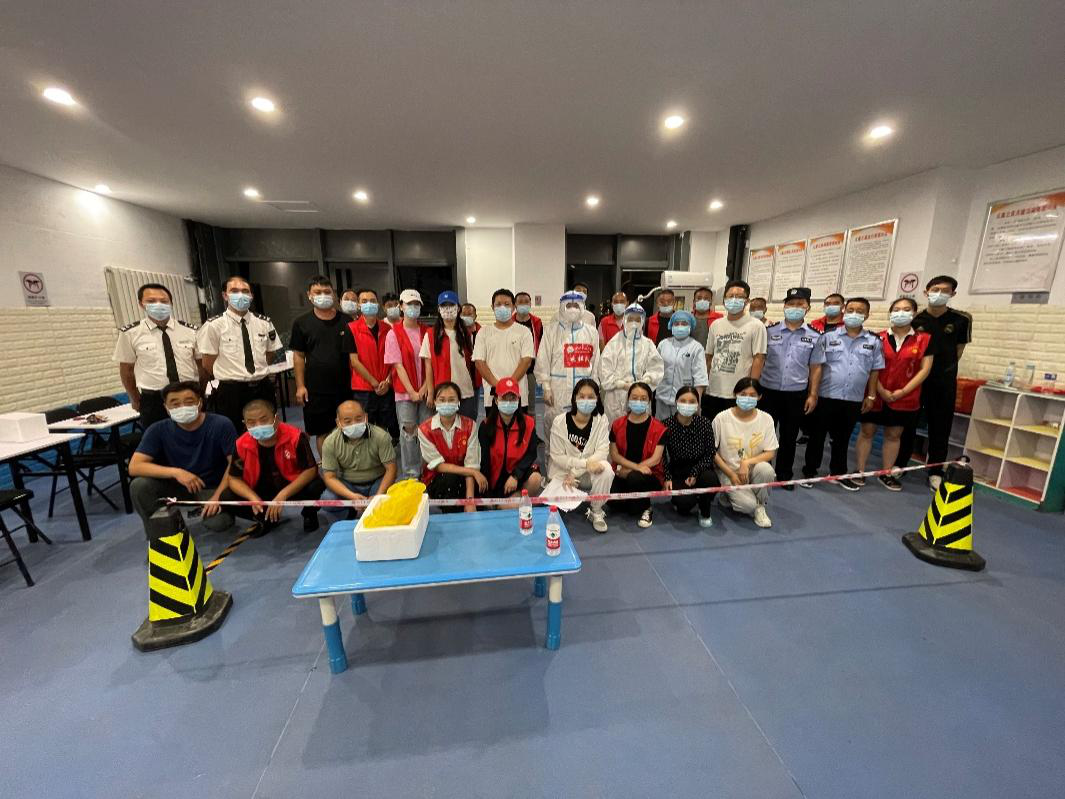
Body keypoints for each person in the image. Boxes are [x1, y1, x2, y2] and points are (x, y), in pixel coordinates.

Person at [128, 381, 236, 537]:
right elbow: (135, 466)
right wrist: (176, 472)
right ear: (166, 408)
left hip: (212, 487)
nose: (182, 407)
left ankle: (207, 508)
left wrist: (217, 497)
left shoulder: (221, 424)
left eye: (189, 401)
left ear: (200, 403)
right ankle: (158, 531)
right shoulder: (157, 429)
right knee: (139, 486)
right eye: (175, 403)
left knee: (219, 523)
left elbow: (234, 464)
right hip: (179, 487)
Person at [895, 275, 972, 491]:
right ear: (926, 292)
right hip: (916, 380)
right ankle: (900, 463)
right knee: (908, 424)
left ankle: (935, 471)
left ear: (953, 294)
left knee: (940, 428)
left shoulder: (961, 319)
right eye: (935, 289)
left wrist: (940, 370)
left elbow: (958, 351)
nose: (939, 293)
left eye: (945, 290)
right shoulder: (916, 320)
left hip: (943, 382)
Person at [802, 297, 884, 490]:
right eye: (851, 310)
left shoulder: (873, 341)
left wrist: (871, 395)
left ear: (867, 315)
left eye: (860, 311)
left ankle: (837, 473)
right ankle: (809, 471)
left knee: (842, 438)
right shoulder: (828, 337)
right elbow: (816, 367)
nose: (854, 314)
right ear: (844, 312)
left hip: (853, 399)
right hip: (826, 396)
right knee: (817, 437)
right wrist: (813, 394)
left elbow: (875, 370)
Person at [856, 297, 934, 491]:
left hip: (905, 397)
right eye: (896, 309)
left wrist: (902, 392)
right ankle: (859, 471)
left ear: (914, 313)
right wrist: (881, 390)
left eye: (906, 309)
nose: (901, 313)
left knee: (893, 435)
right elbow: (870, 366)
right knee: (867, 431)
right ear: (890, 313)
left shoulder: (924, 340)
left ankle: (886, 473)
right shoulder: (877, 338)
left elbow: (925, 369)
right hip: (875, 393)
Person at [223, 398, 325, 535]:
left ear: (276, 419)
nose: (258, 425)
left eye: (263, 420)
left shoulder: (295, 436)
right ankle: (265, 518)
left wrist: (283, 494)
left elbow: (311, 470)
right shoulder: (241, 444)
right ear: (245, 424)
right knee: (226, 496)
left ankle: (309, 513)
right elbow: (233, 478)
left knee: (316, 484)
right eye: (251, 422)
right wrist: (253, 498)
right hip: (260, 489)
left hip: (290, 486)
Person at [197, 275, 284, 431]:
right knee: (234, 432)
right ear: (225, 295)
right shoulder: (213, 325)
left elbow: (270, 355)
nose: (241, 295)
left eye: (245, 291)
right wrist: (232, 375)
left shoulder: (264, 322)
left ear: (251, 296)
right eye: (234, 291)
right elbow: (207, 363)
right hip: (232, 391)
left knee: (268, 430)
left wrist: (255, 373)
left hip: (262, 386)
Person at [759, 287, 824, 490]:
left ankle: (784, 475)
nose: (795, 308)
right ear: (784, 306)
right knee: (764, 435)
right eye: (791, 304)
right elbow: (760, 360)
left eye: (800, 304)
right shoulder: (769, 331)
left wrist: (813, 394)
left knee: (789, 435)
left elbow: (816, 367)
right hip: (768, 390)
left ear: (808, 308)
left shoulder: (815, 336)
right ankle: (762, 472)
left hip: (796, 393)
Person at [113, 283, 201, 428]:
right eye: (151, 301)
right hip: (154, 400)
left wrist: (200, 392)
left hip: (188, 396)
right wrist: (135, 398)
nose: (159, 305)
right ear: (141, 304)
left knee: (195, 435)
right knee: (158, 439)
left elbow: (201, 366)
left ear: (171, 303)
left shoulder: (190, 331)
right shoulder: (130, 333)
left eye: (164, 301)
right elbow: (126, 370)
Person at [289, 276, 354, 455]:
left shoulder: (347, 321)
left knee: (349, 428)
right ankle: (328, 466)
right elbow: (299, 356)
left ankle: (348, 464)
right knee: (322, 432)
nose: (323, 295)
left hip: (344, 386)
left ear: (333, 294)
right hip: (316, 389)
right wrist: (300, 386)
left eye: (327, 292)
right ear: (309, 295)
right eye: (317, 292)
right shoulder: (301, 323)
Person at [535, 290, 600, 467]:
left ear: (582, 307)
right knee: (554, 429)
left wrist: (595, 390)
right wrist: (546, 387)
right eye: (568, 305)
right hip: (558, 391)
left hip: (583, 391)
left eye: (576, 305)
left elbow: (596, 363)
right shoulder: (551, 331)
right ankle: (553, 470)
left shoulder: (591, 332)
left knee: (582, 430)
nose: (572, 309)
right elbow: (543, 359)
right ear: (562, 307)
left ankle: (580, 469)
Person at [548, 378, 612, 533]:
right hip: (564, 475)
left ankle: (596, 510)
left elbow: (602, 452)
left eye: (591, 397)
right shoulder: (559, 421)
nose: (586, 400)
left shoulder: (601, 421)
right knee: (555, 513)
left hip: (586, 474)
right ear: (574, 398)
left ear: (597, 399)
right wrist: (583, 465)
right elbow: (557, 456)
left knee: (606, 469)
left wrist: (576, 472)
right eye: (582, 396)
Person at [712, 378, 778, 528]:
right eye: (743, 394)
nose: (747, 398)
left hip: (753, 469)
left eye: (752, 395)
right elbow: (712, 451)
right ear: (735, 394)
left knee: (767, 470)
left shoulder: (766, 419)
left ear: (759, 397)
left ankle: (760, 506)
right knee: (748, 506)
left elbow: (770, 452)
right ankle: (730, 495)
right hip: (728, 471)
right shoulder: (721, 418)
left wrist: (747, 463)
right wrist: (731, 474)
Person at [704, 279, 768, 419]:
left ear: (747, 301)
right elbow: (709, 356)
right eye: (730, 296)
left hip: (739, 392)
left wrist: (751, 390)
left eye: (739, 297)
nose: (734, 300)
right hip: (713, 390)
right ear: (724, 299)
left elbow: (759, 358)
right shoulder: (716, 325)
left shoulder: (756, 326)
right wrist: (704, 385)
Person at [384, 289, 431, 480]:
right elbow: (397, 365)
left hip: (426, 391)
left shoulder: (427, 332)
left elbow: (431, 362)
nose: (413, 307)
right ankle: (412, 474)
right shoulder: (393, 333)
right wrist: (412, 391)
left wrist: (425, 387)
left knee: (427, 432)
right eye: (409, 304)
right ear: (401, 306)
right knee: (408, 433)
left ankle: (429, 472)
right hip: (405, 394)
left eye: (416, 304)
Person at [417, 381, 485, 512]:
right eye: (442, 400)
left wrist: (470, 499)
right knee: (450, 480)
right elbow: (439, 466)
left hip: (466, 477)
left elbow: (471, 463)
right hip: (438, 478)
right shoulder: (424, 430)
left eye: (451, 399)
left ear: (459, 402)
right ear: (435, 402)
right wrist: (472, 472)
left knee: (479, 490)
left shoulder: (470, 425)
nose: (447, 403)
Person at [609, 382, 667, 529]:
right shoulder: (617, 424)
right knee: (612, 502)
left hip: (649, 474)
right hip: (624, 470)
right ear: (628, 399)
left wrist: (631, 471)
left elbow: (656, 459)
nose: (638, 401)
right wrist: (633, 468)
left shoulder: (659, 428)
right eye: (634, 398)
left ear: (649, 401)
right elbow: (614, 455)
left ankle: (646, 507)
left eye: (643, 398)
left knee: (634, 480)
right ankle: (634, 502)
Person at [321, 399, 397, 510]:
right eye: (347, 421)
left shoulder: (381, 436)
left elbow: (391, 469)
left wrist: (378, 496)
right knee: (327, 499)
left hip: (377, 481)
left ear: (366, 417)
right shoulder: (330, 442)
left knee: (389, 501)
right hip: (348, 484)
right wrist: (351, 496)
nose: (354, 424)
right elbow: (329, 477)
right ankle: (349, 514)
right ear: (338, 423)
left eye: (358, 419)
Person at [477, 377, 542, 501]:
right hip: (495, 479)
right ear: (496, 400)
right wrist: (487, 495)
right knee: (500, 503)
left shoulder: (529, 424)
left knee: (536, 479)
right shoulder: (486, 426)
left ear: (518, 400)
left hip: (517, 476)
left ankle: (513, 501)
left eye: (513, 398)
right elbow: (483, 462)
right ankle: (503, 504)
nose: (508, 402)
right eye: (504, 398)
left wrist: (516, 475)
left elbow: (531, 453)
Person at [663, 386, 718, 528]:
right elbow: (662, 456)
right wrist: (667, 477)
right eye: (683, 400)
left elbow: (710, 453)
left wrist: (695, 472)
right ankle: (691, 498)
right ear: (676, 402)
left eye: (692, 401)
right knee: (684, 505)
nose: (687, 404)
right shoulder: (666, 424)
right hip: (678, 470)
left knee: (711, 480)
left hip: (701, 468)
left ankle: (704, 511)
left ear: (698, 404)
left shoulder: (704, 423)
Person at [598, 303, 664, 421]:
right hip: (616, 396)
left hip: (641, 396)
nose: (634, 323)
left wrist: (646, 381)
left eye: (637, 319)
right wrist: (620, 384)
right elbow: (604, 369)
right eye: (630, 319)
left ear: (642, 321)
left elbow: (656, 368)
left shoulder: (648, 344)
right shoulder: (614, 343)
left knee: (640, 426)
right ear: (624, 319)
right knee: (616, 428)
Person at [472, 288, 535, 410]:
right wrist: (499, 386)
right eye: (498, 304)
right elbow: (479, 363)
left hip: (518, 394)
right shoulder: (484, 332)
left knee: (520, 423)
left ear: (513, 307)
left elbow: (526, 361)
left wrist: (509, 386)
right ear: (492, 307)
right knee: (494, 423)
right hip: (493, 395)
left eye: (507, 304)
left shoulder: (524, 332)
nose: (502, 307)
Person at [422, 290, 478, 420]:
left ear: (458, 308)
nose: (448, 309)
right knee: (444, 428)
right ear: (438, 309)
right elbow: (428, 366)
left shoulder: (466, 333)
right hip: (442, 393)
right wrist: (431, 392)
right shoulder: (430, 334)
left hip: (465, 390)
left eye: (451, 305)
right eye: (444, 306)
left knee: (467, 426)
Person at [656, 310, 708, 420]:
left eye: (684, 324)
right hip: (662, 398)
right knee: (661, 428)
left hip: (685, 402)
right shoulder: (663, 344)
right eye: (676, 324)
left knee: (682, 428)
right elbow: (655, 370)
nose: (680, 326)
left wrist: (697, 403)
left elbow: (700, 378)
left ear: (690, 327)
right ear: (671, 326)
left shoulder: (696, 347)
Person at [513, 291, 544, 416]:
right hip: (512, 368)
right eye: (520, 302)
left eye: (526, 301)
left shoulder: (537, 322)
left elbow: (541, 345)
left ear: (530, 304)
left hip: (530, 368)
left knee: (530, 406)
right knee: (513, 402)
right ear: (515, 304)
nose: (523, 304)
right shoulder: (509, 322)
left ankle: (530, 428)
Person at [460, 303, 484, 409]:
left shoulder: (482, 333)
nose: (466, 317)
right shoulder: (455, 332)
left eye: (469, 314)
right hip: (459, 378)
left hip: (475, 379)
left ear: (475, 316)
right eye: (463, 314)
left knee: (472, 411)